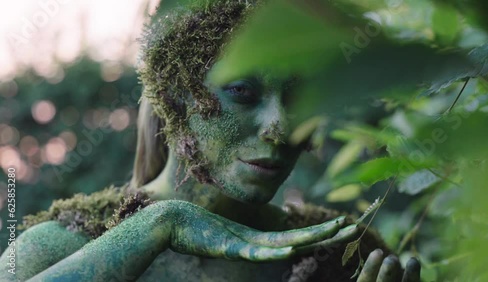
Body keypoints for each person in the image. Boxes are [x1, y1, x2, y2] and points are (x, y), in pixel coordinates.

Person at [0, 1, 421, 281]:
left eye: (299, 100)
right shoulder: (59, 248)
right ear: (175, 98)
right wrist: (160, 225)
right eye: (242, 91)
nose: (280, 127)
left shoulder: (341, 253)